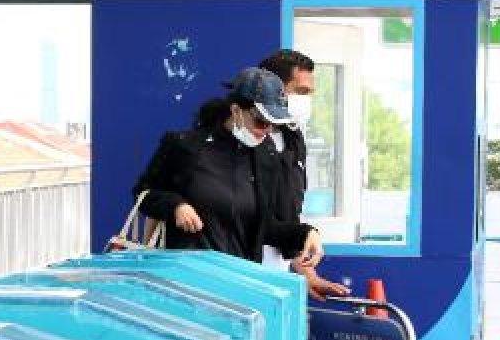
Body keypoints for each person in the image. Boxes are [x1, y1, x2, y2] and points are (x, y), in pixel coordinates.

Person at [134, 66, 323, 266]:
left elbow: (263, 228)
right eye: (260, 122)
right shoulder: (185, 146)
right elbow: (143, 194)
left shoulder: (266, 156)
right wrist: (175, 206)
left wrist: (305, 233)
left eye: (272, 124)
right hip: (187, 278)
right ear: (235, 110)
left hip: (238, 281)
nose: (265, 131)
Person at [257, 49, 350, 300]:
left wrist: (305, 273)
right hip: (242, 275)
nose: (306, 100)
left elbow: (288, 212)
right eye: (301, 92)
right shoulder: (242, 140)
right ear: (274, 89)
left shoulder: (293, 138)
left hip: (278, 274)